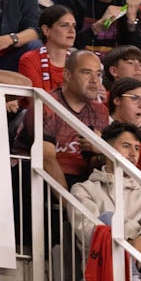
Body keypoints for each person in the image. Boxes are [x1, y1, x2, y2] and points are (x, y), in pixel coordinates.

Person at [40, 51, 109, 187]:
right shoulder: (46, 105)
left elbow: (100, 164)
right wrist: (67, 203)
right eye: (86, 72)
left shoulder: (101, 111)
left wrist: (100, 149)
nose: (94, 80)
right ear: (67, 75)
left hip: (85, 182)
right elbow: (46, 159)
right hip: (42, 179)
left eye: (98, 74)